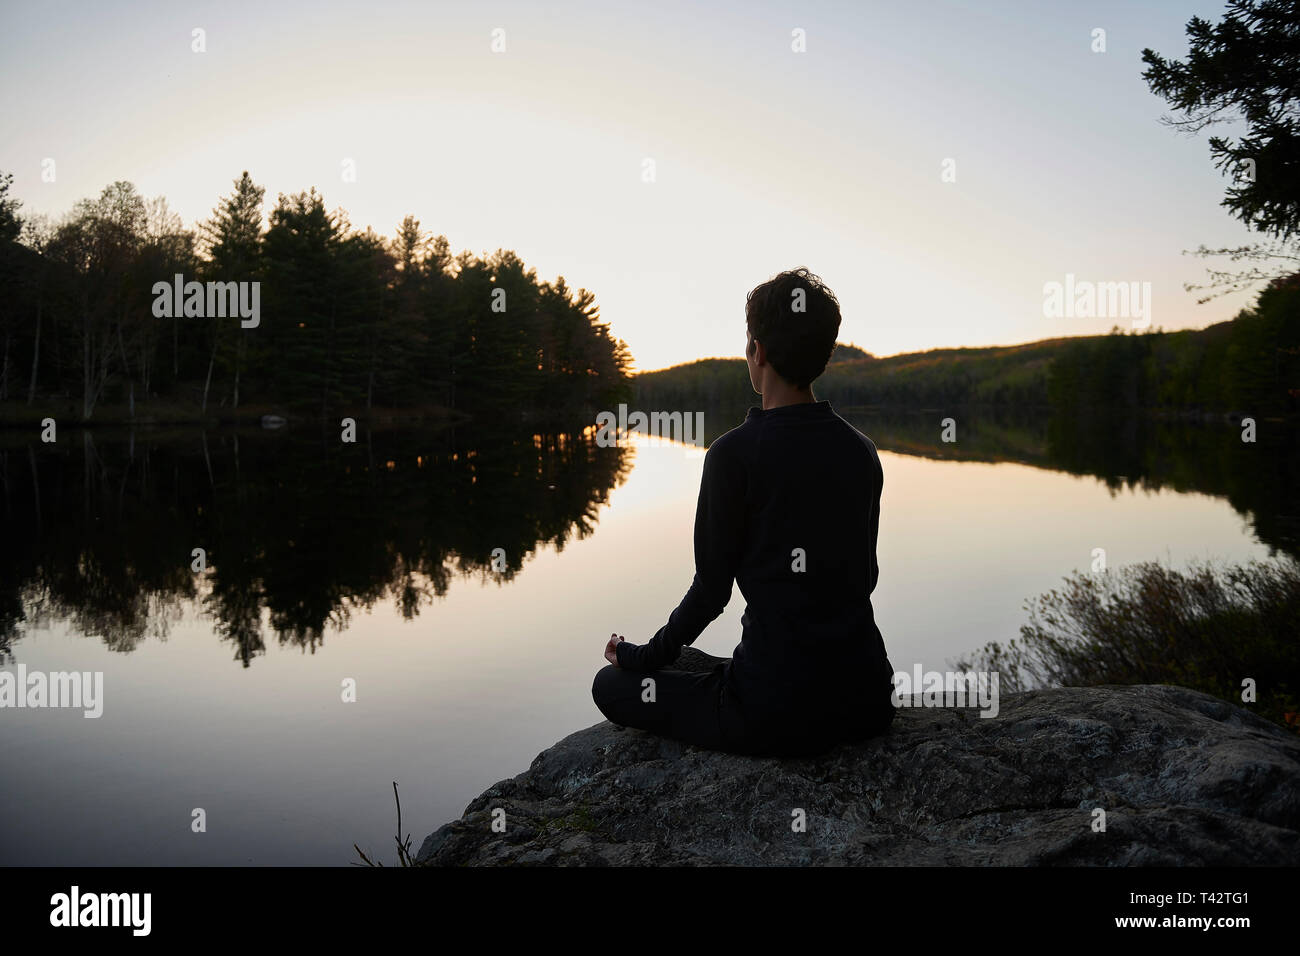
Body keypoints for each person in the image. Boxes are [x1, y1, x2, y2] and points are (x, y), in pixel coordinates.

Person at [591, 267, 895, 758]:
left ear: (758, 353)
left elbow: (711, 592)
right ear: (824, 356)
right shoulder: (862, 450)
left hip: (774, 711)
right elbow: (867, 577)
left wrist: (641, 655)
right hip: (865, 699)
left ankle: (666, 668)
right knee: (688, 661)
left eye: (748, 343)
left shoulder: (732, 454)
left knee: (610, 684)